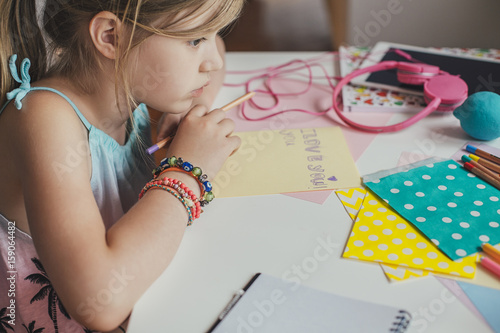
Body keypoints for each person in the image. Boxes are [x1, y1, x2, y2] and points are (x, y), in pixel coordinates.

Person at [0, 0, 243, 332]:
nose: (213, 60)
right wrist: (186, 171)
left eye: (213, 34)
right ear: (111, 37)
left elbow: (218, 56)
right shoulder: (45, 121)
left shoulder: (131, 85)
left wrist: (190, 110)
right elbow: (99, 305)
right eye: (195, 40)